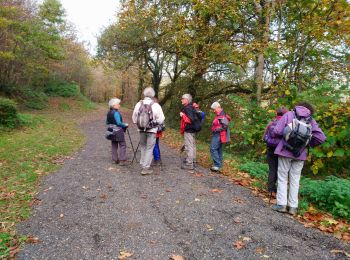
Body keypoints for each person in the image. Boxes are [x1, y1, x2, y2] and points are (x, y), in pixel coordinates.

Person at [271, 102, 326, 215]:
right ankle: (293, 207)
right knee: (295, 180)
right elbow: (321, 138)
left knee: (282, 178)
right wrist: (306, 144)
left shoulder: (289, 114)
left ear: (298, 106)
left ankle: (281, 205)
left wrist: (286, 134)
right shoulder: (311, 120)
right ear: (310, 110)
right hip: (299, 154)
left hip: (285, 151)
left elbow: (276, 131)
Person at [132, 87, 165, 175]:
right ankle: (145, 168)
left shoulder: (139, 104)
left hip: (141, 129)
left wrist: (139, 124)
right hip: (152, 130)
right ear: (153, 95)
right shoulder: (156, 105)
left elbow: (134, 118)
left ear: (144, 94)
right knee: (150, 148)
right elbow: (161, 119)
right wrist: (155, 124)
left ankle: (143, 163)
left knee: (143, 146)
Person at [263, 107, 288, 196]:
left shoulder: (271, 123)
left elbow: (264, 137)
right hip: (282, 149)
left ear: (276, 114)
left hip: (270, 148)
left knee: (272, 169)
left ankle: (270, 189)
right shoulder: (287, 124)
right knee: (280, 170)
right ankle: (277, 190)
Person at [180, 94, 201, 170]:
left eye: (182, 98)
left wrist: (182, 115)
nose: (181, 100)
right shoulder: (192, 107)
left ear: (186, 100)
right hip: (194, 129)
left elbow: (190, 119)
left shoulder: (187, 108)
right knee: (193, 145)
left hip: (189, 129)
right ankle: (193, 161)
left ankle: (189, 164)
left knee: (189, 146)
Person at [106, 98, 129, 166]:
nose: (119, 105)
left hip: (111, 131)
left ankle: (114, 159)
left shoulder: (109, 112)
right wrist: (125, 125)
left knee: (114, 145)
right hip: (118, 131)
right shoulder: (116, 113)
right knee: (122, 145)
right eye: (118, 104)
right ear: (113, 105)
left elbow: (107, 122)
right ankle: (122, 160)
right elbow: (119, 123)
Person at [210, 101, 231, 172]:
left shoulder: (222, 115)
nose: (214, 110)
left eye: (214, 109)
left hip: (219, 135)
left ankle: (217, 165)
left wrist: (216, 129)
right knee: (219, 150)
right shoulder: (219, 115)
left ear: (218, 107)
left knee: (213, 149)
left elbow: (225, 126)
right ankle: (219, 165)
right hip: (220, 134)